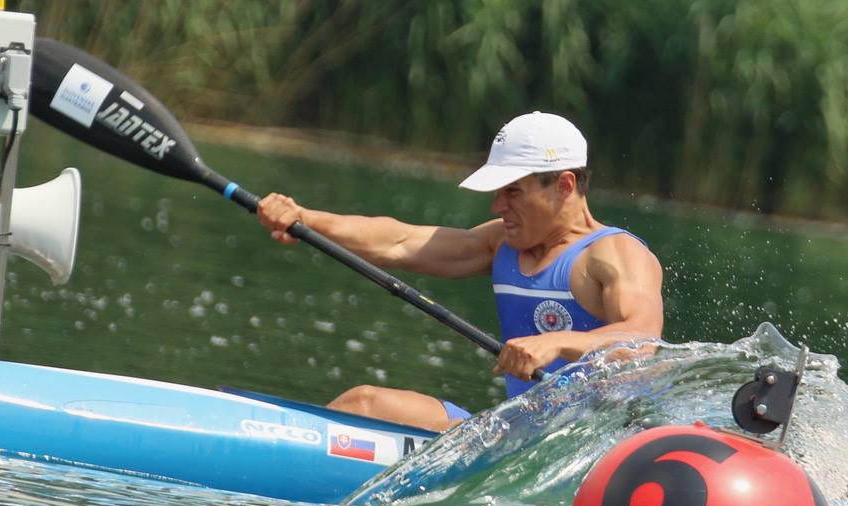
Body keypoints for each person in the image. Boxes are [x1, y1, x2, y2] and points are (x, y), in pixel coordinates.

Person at [256, 111, 663, 432]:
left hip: (591, 446)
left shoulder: (614, 254)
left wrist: (557, 342)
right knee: (363, 403)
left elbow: (642, 339)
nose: (497, 206)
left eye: (512, 191)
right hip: (515, 432)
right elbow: (399, 241)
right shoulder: (499, 243)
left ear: (564, 185)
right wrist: (305, 219)